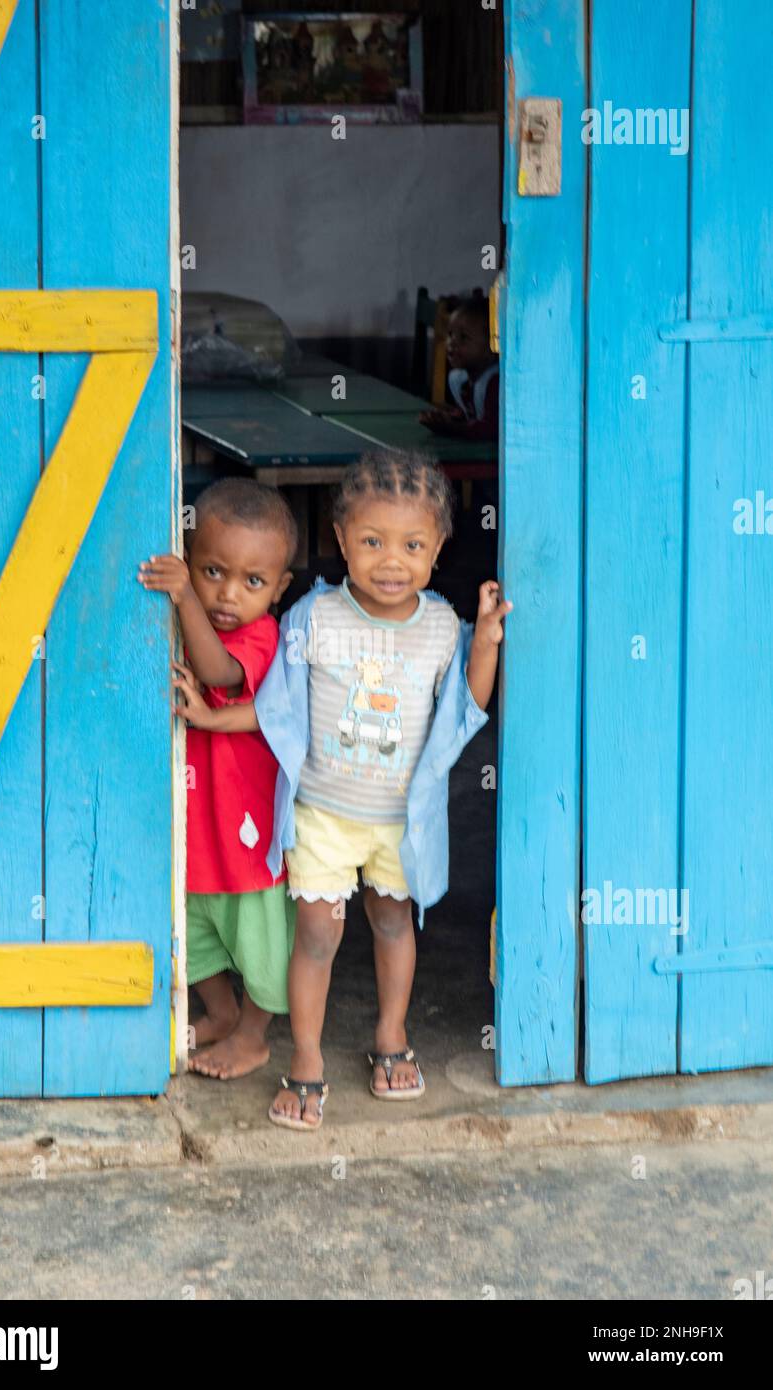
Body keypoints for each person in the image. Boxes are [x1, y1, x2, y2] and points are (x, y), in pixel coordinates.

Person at [252, 450, 511, 1129]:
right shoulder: (314, 619)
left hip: (401, 820)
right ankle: (305, 1058)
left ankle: (391, 1037)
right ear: (340, 541)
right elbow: (275, 708)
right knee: (316, 932)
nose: (391, 560)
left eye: (412, 544)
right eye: (371, 541)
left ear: (437, 549)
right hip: (323, 814)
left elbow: (466, 709)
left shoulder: (439, 629)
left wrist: (484, 641)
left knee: (394, 922)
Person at [137, 479, 297, 1080]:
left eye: (252, 582)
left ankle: (254, 1034)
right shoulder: (181, 620)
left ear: (279, 589)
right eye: (210, 571)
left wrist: (184, 598)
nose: (228, 594)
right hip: (194, 829)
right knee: (192, 927)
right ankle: (222, 1014)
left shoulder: (260, 637)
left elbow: (216, 670)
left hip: (245, 835)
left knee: (258, 943)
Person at [419, 295, 498, 441]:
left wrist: (450, 429)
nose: (452, 343)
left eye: (463, 337)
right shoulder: (460, 379)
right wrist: (452, 417)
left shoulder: (495, 382)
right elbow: (472, 415)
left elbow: (490, 430)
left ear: (491, 347)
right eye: (450, 334)